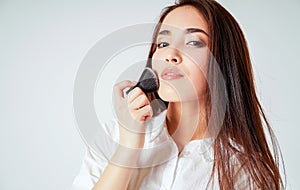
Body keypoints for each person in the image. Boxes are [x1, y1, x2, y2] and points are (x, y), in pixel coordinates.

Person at [72, 0, 285, 189]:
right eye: (163, 43)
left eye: (193, 42)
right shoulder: (115, 134)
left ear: (223, 62)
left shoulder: (245, 170)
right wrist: (128, 148)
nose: (170, 54)